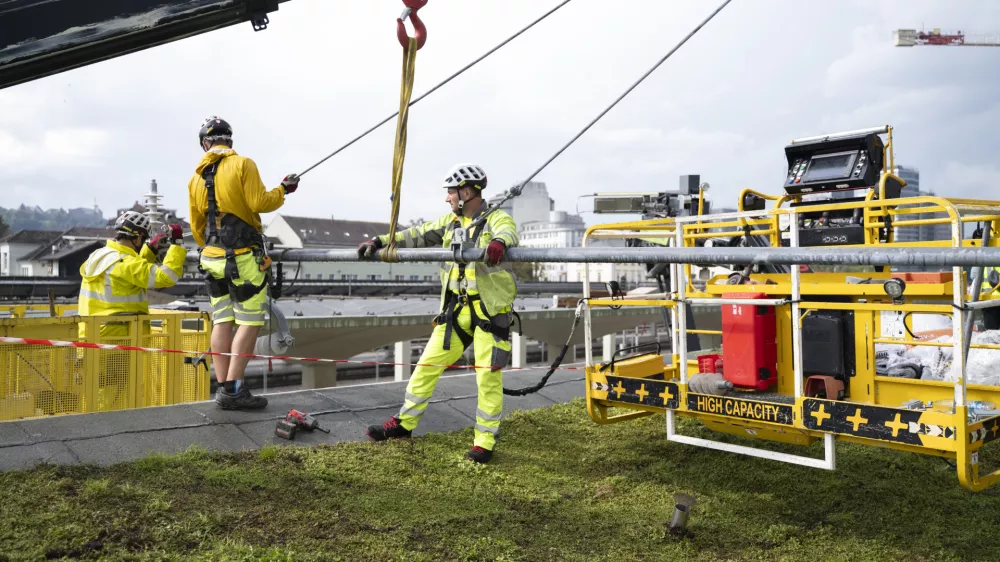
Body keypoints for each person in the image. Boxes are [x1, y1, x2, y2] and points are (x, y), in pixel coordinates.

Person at [359, 163, 518, 464]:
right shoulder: (450, 222)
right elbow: (416, 234)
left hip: (490, 313)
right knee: (426, 366)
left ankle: (484, 442)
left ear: (467, 192)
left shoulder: (497, 218)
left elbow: (508, 231)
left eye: (451, 192)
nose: (447, 198)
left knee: (487, 378)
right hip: (457, 311)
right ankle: (404, 424)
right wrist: (380, 241)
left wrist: (499, 242)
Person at [187, 116, 300, 410]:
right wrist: (284, 190)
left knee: (222, 320)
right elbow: (260, 203)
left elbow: (197, 226)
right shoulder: (243, 164)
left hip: (211, 259)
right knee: (249, 323)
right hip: (243, 259)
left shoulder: (195, 178)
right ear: (230, 142)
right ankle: (234, 390)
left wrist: (210, 247)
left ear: (205, 145)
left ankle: (224, 386)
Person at [78, 211, 187, 339]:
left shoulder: (99, 255)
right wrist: (176, 244)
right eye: (144, 239)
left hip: (91, 337)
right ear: (138, 238)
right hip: (119, 339)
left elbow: (132, 272)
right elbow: (168, 276)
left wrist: (150, 249)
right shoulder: (125, 263)